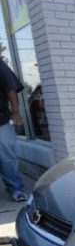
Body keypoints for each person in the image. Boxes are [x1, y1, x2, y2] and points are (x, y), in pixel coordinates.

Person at [0, 59, 27, 202]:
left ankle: (16, 188)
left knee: (7, 158)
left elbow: (10, 88)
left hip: (1, 121)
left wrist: (16, 112)